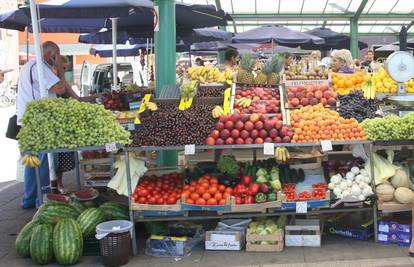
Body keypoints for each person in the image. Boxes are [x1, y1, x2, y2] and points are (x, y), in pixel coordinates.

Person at [17, 41, 67, 209]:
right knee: (42, 160)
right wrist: (60, 67)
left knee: (32, 161)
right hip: (38, 120)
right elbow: (60, 88)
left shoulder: (29, 66)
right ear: (51, 54)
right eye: (56, 55)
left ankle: (29, 198)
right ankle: (41, 199)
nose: (56, 59)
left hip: (31, 119)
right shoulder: (39, 66)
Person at [53, 56, 78, 194]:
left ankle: (59, 183)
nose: (63, 71)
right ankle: (55, 184)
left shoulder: (62, 82)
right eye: (62, 68)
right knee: (54, 158)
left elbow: (76, 98)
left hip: (66, 124)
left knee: (62, 158)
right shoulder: (53, 82)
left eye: (65, 69)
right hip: (55, 124)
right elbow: (60, 91)